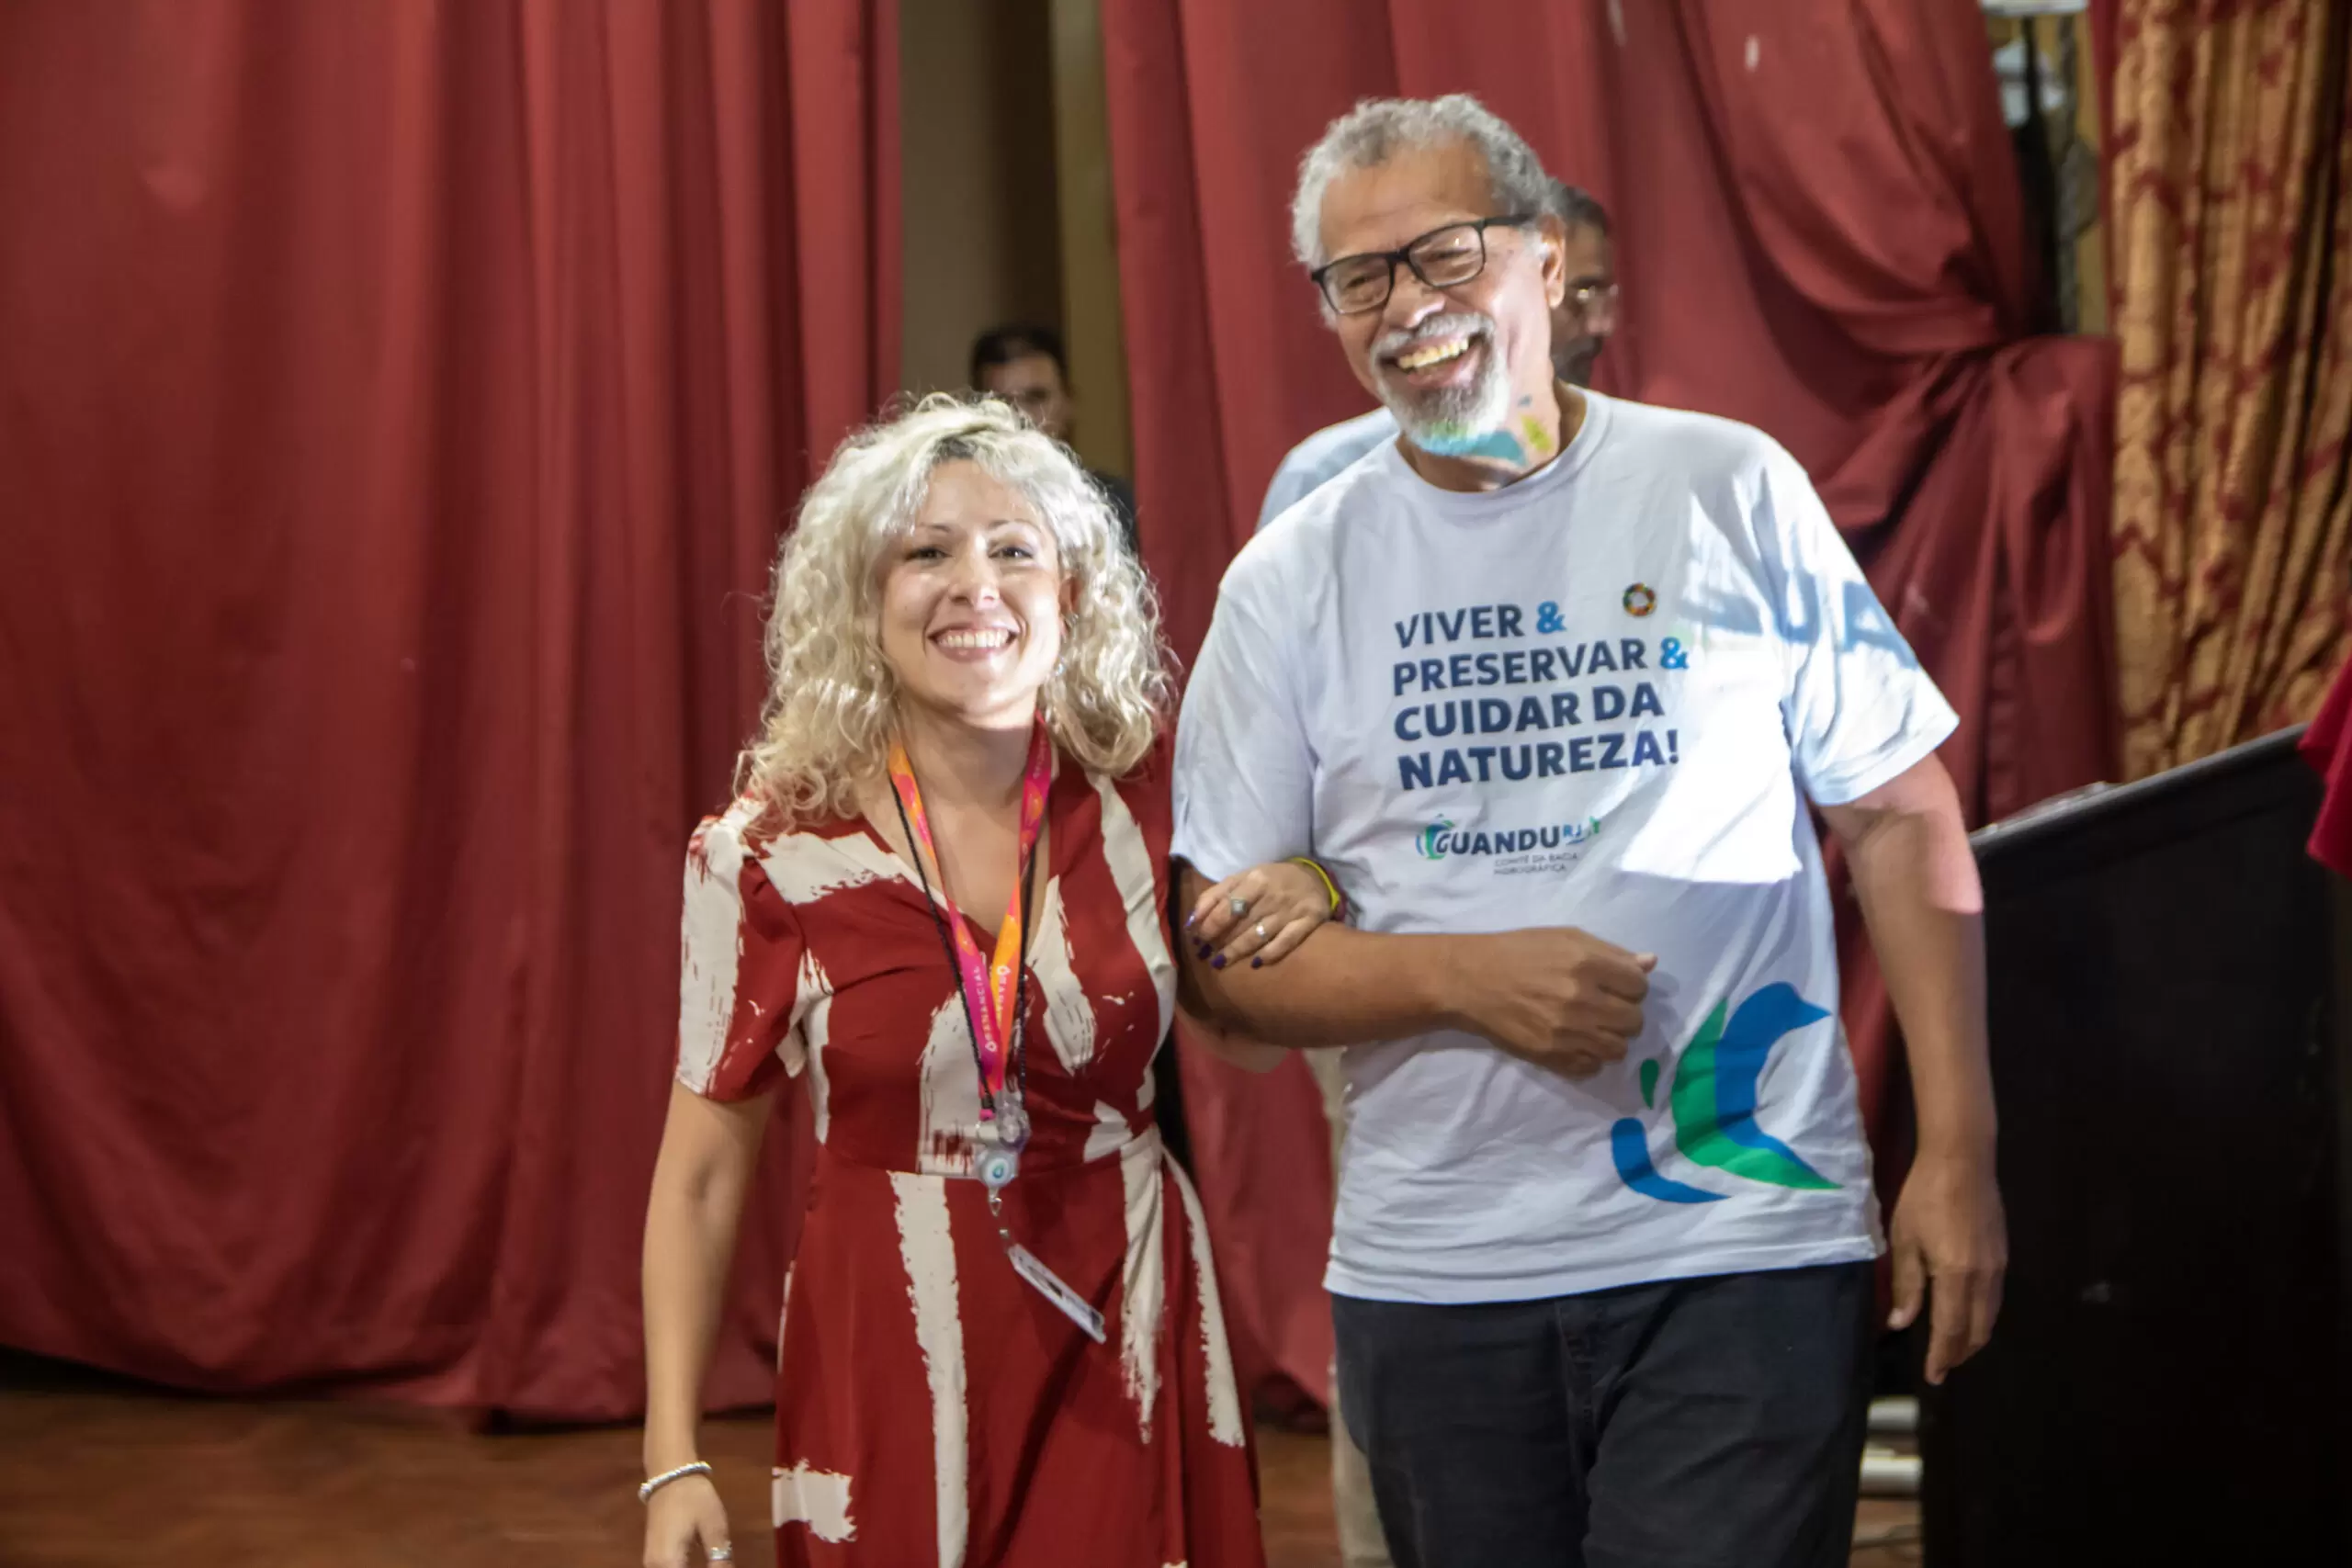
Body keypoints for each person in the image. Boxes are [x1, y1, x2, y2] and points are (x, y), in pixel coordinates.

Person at [1172, 94, 2007, 1568]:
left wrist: (1960, 1143)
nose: (1405, 307)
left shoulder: (1725, 486)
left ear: (1547, 262)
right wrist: (1463, 976)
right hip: (1440, 1270)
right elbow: (1221, 974)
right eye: (1358, 278)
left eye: (1444, 254)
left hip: (1742, 1238)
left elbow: (1897, 811)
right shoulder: (1289, 577)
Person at [639, 395, 1339, 1568]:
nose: (976, 586)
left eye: (1015, 550)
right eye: (927, 553)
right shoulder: (765, 853)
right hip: (887, 1334)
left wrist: (1311, 885)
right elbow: (703, 1175)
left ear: (1072, 593)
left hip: (1128, 1308)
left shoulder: (1149, 799)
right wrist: (674, 1457)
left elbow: (1251, 1036)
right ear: (863, 599)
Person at [1256, 178, 1615, 530]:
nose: (1600, 325)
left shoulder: (1629, 461)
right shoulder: (1323, 479)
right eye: (1582, 293)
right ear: (1543, 271)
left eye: (1603, 294)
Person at [970, 323, 1139, 554]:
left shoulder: (1113, 504)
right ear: (975, 412)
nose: (1021, 416)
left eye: (1036, 398)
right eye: (1001, 402)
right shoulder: (958, 504)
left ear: (1068, 402)